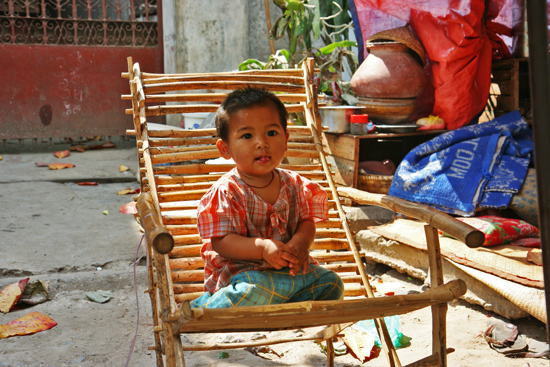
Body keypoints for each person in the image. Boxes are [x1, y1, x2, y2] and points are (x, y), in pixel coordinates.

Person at [190, 87, 344, 308]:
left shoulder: (295, 185)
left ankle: (277, 306)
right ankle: (206, 307)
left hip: (290, 274)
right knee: (249, 291)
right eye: (247, 136)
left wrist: (300, 243)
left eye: (271, 133)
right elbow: (221, 242)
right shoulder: (227, 192)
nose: (262, 143)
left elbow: (306, 222)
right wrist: (261, 248)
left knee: (332, 284)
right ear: (225, 149)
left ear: (286, 138)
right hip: (246, 276)